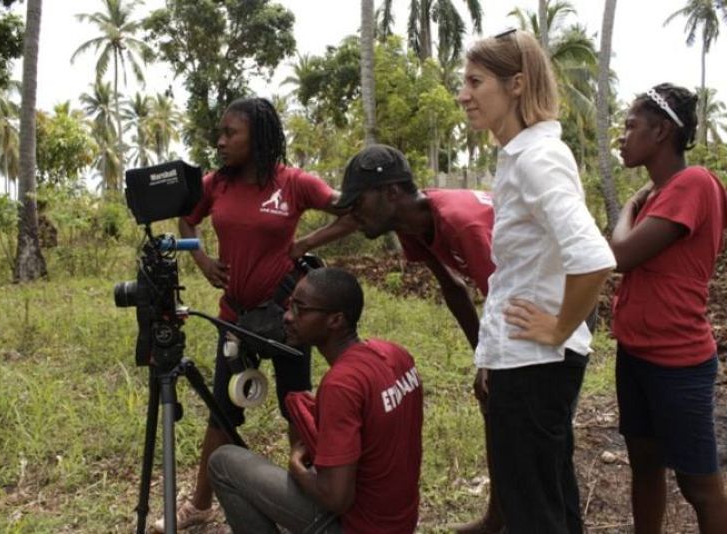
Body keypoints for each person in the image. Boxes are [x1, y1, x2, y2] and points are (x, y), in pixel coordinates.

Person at [152, 97, 353, 532]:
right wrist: (202, 262)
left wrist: (307, 243)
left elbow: (351, 211)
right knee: (223, 412)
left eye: (230, 133)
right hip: (235, 318)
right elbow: (188, 222)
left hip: (289, 321)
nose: (220, 141)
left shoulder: (294, 183)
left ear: (257, 137)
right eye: (220, 133)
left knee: (296, 408)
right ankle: (201, 505)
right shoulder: (215, 185)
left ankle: (305, 504)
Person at [294, 143, 504, 533]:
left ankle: (537, 514)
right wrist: (482, 356)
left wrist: (492, 361)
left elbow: (501, 295)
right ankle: (498, 517)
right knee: (494, 402)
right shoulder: (415, 224)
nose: (354, 214)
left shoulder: (460, 222)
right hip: (513, 307)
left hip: (556, 306)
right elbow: (454, 286)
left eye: (360, 202)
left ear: (391, 193)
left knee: (523, 416)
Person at [456, 29, 615, 533]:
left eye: (475, 81)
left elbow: (592, 256)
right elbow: (519, 274)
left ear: (517, 84)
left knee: (533, 512)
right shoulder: (522, 156)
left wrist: (558, 328)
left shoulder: (536, 159)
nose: (464, 94)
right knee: (551, 499)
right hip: (525, 363)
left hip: (536, 364)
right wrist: (494, 359)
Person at [208, 267, 424, 534]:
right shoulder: (396, 354)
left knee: (223, 462)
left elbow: (337, 498)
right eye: (290, 306)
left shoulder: (341, 384)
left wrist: (296, 467)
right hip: (399, 521)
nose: (287, 317)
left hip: (359, 526)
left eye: (301, 310)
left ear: (336, 320)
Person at [610, 83, 727, 533]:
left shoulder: (693, 183)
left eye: (631, 125)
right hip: (636, 353)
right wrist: (640, 200)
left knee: (699, 484)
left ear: (660, 132)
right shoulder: (661, 192)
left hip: (677, 361)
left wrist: (628, 205)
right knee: (644, 465)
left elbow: (619, 257)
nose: (622, 135)